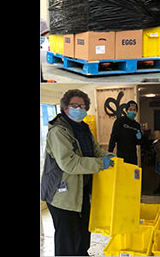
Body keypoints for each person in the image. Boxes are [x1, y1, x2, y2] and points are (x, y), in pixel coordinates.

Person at [40, 89, 115, 257]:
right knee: (67, 239)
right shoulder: (58, 131)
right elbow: (69, 163)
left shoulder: (83, 129)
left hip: (81, 191)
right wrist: (100, 164)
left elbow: (96, 151)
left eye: (82, 106)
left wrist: (109, 158)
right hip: (62, 195)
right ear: (65, 108)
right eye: (75, 105)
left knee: (83, 232)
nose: (79, 109)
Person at [108, 100, 143, 165]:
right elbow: (113, 137)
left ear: (136, 111)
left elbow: (139, 143)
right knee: (123, 174)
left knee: (132, 174)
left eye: (134, 110)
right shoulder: (120, 121)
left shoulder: (137, 125)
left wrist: (140, 138)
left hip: (133, 156)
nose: (132, 111)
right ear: (127, 110)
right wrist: (109, 152)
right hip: (122, 156)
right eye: (130, 109)